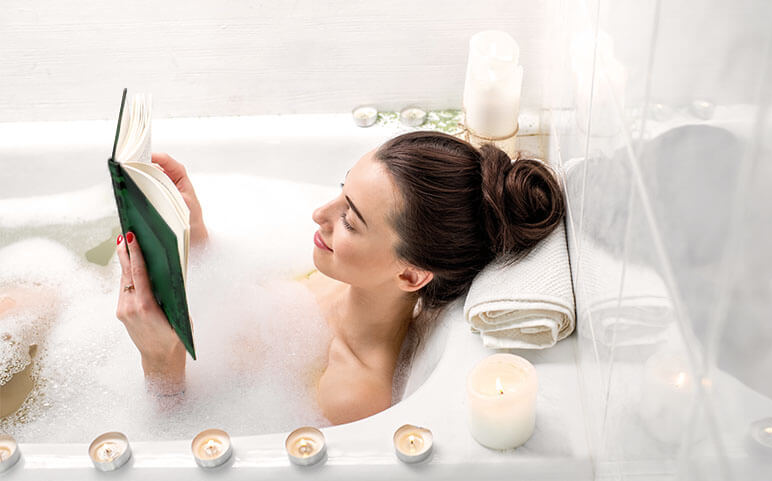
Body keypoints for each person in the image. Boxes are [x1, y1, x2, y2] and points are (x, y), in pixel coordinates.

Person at [115, 131, 566, 425]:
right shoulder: (342, 277)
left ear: (410, 274)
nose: (320, 214)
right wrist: (192, 234)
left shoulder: (351, 395)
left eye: (350, 220)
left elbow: (180, 442)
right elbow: (240, 308)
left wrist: (159, 360)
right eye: (341, 190)